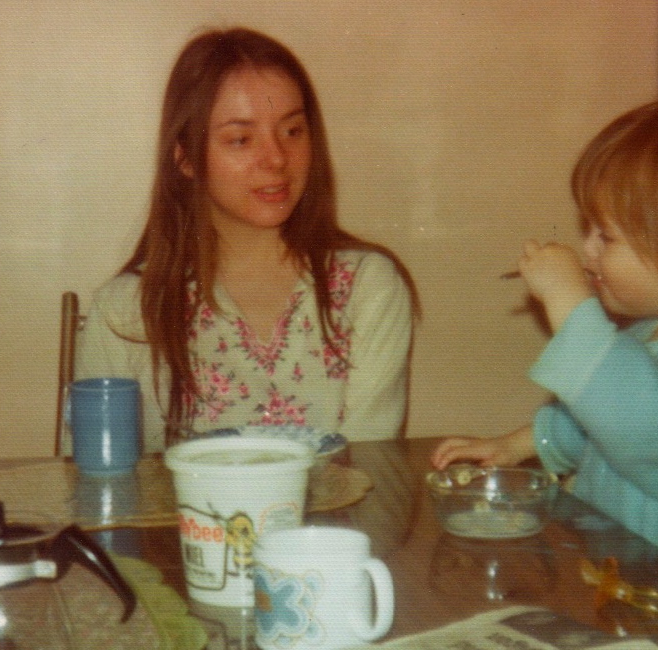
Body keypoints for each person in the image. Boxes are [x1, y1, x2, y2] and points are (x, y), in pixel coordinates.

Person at [432, 93, 658, 617]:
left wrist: (569, 303)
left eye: (607, 236)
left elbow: (641, 421)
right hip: (643, 597)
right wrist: (520, 444)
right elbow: (597, 422)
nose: (587, 249)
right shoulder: (647, 337)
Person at [77, 28, 416, 452]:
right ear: (185, 157)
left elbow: (370, 469)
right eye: (241, 139)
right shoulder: (126, 309)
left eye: (292, 131)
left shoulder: (367, 287)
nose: (276, 159)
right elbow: (100, 478)